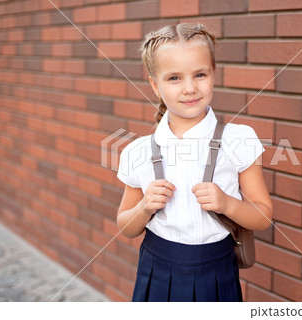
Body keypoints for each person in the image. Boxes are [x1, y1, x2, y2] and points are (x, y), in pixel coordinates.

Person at [116, 23, 273, 302]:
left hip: (217, 272)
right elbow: (126, 226)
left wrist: (228, 203)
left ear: (214, 74)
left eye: (200, 74)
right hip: (157, 272)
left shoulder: (240, 139)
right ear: (155, 84)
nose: (190, 88)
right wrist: (144, 207)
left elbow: (262, 216)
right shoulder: (137, 151)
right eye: (174, 78)